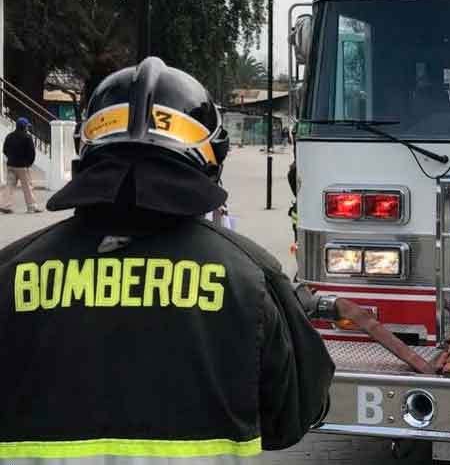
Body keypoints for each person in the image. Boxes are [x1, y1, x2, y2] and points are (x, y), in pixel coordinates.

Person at [0, 58, 334, 460]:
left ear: (84, 149)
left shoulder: (10, 271)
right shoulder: (250, 276)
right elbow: (293, 418)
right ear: (212, 158)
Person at [0, 117, 42, 214]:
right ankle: (32, 207)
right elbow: (32, 153)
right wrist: (28, 164)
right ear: (24, 127)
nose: (28, 128)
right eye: (27, 126)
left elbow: (5, 150)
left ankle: (4, 205)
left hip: (10, 164)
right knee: (27, 186)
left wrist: (10, 158)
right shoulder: (27, 137)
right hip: (22, 166)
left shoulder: (9, 136)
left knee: (9, 186)